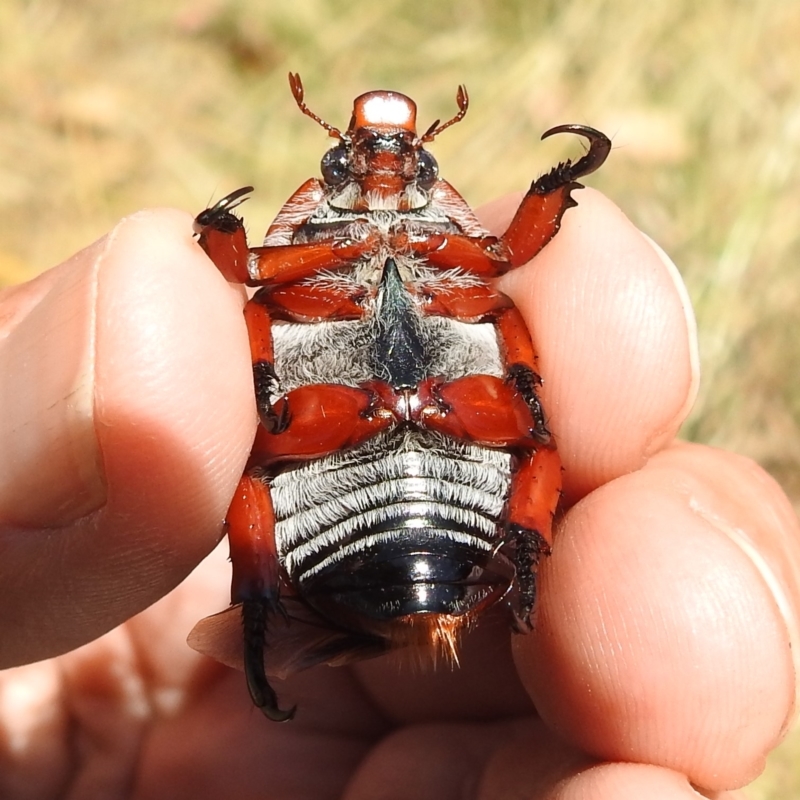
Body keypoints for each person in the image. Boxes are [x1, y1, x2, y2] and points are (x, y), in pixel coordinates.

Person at [0, 189, 796, 799]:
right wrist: (222, 241)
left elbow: (510, 257)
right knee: (273, 462)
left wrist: (551, 198)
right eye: (350, 174)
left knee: (536, 438)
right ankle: (269, 615)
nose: (381, 195)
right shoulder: (294, 281)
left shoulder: (476, 275)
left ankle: (513, 557)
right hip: (381, 493)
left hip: (378, 490)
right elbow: (245, 276)